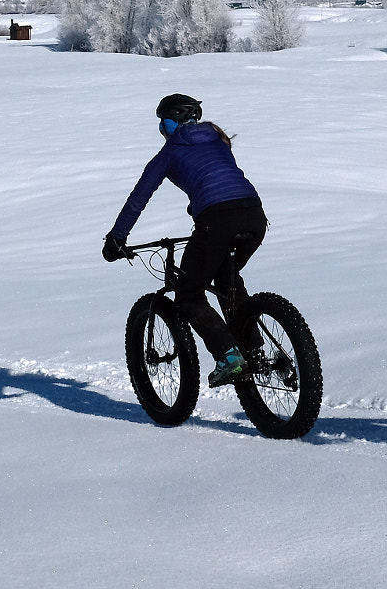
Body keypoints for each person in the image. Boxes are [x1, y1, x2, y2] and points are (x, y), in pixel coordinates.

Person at [103, 93, 269, 388]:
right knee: (227, 280)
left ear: (171, 123)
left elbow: (137, 200)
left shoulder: (168, 153)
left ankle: (229, 356)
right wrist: (198, 208)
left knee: (188, 295)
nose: (161, 129)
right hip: (254, 216)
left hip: (216, 222)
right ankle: (254, 349)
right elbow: (218, 180)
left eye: (162, 122)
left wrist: (116, 239)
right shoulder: (218, 141)